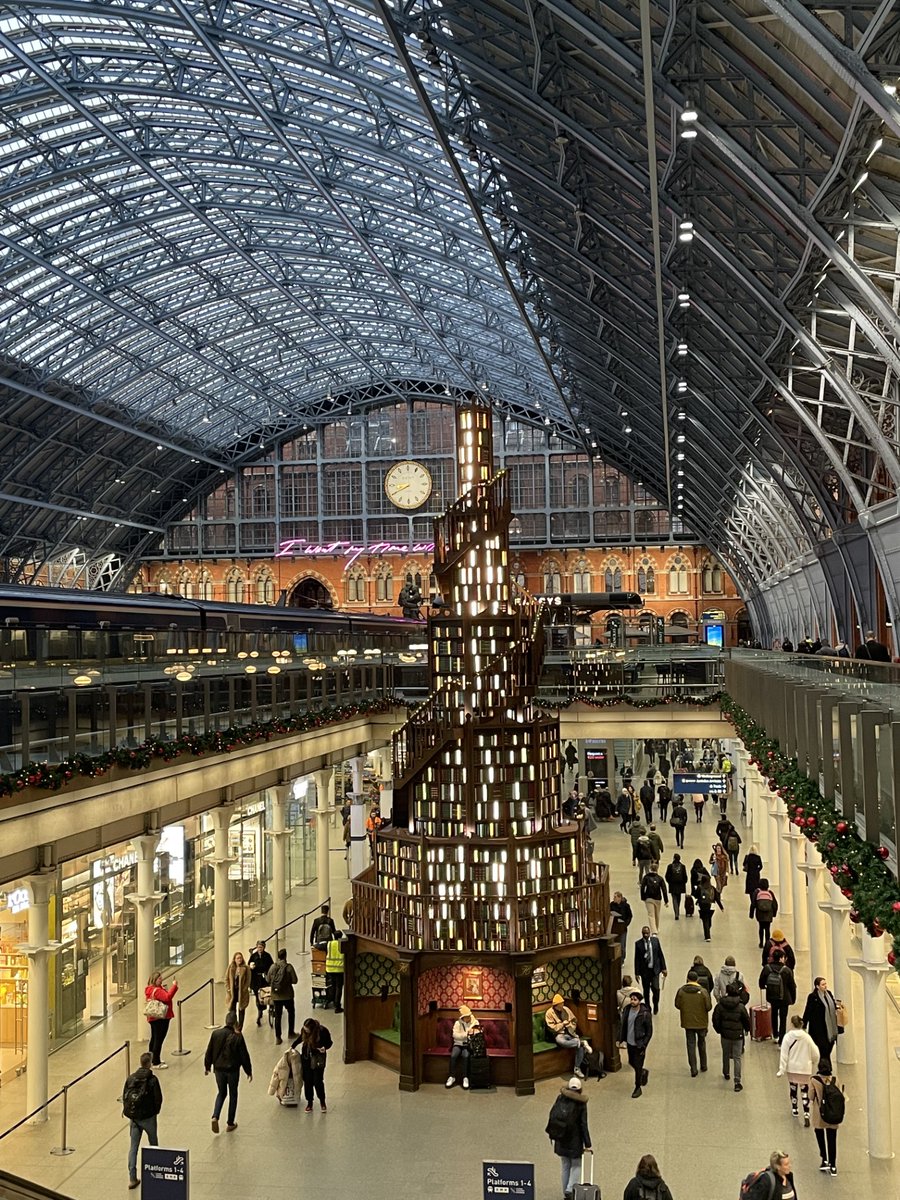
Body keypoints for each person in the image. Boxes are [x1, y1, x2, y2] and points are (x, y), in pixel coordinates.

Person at [204, 1010, 252, 1133]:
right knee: (233, 1094)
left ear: (226, 1021)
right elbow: (244, 1056)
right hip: (232, 1070)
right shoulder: (238, 1037)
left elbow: (209, 1051)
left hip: (219, 1069)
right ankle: (230, 1123)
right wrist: (248, 1071)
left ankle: (215, 1116)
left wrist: (207, 1066)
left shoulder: (216, 1034)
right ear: (235, 1023)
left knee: (221, 1093)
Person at [545, 1075, 592, 1199]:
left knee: (565, 1165)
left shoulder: (560, 1098)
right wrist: (587, 1143)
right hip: (574, 1141)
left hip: (560, 1138)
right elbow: (583, 1124)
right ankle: (570, 1189)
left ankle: (565, 1192)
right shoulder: (581, 1104)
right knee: (576, 1165)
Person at [123, 1052, 163, 1189]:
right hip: (148, 1117)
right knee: (153, 1144)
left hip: (134, 1118)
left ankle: (132, 1178)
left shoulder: (131, 1078)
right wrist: (154, 1112)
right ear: (150, 1063)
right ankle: (155, 1172)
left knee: (133, 1147)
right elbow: (158, 1098)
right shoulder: (152, 1080)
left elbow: (124, 1097)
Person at [777, 1014, 819, 1125]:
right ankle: (806, 1112)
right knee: (804, 1090)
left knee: (793, 1089)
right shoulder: (807, 1037)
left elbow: (784, 1054)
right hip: (805, 1068)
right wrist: (813, 1061)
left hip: (792, 1068)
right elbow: (815, 1053)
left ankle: (795, 1109)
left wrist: (782, 1068)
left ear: (791, 1024)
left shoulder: (788, 1037)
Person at [712, 981, 750, 1091]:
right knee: (737, 1057)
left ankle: (726, 1072)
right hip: (738, 1035)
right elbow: (746, 1020)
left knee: (725, 1053)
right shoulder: (741, 1006)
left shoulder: (720, 1005)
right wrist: (746, 1030)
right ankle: (737, 1081)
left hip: (725, 1034)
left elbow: (716, 1019)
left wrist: (719, 1030)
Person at [674, 970, 712, 1076]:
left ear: (687, 979)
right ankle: (703, 1065)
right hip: (701, 1022)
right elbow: (708, 1007)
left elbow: (677, 1005)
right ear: (697, 980)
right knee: (702, 1043)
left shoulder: (681, 991)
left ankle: (693, 1069)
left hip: (688, 1022)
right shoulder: (703, 992)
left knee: (691, 1044)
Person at [545, 994, 592, 1079]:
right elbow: (551, 1028)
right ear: (555, 1005)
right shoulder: (549, 1013)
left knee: (579, 1047)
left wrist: (570, 1026)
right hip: (559, 1034)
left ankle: (577, 1068)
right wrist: (562, 1024)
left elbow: (574, 1020)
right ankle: (581, 1042)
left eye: (562, 1003)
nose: (562, 1005)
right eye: (560, 1004)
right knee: (561, 1041)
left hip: (570, 1033)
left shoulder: (566, 1009)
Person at [291, 1017, 333, 1111]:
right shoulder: (304, 1032)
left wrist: (324, 1048)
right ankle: (310, 1102)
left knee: (318, 1081)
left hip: (318, 1059)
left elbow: (329, 1043)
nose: (305, 1031)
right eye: (304, 1029)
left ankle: (322, 1101)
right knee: (308, 1081)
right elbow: (299, 1039)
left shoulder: (322, 1031)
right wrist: (292, 1048)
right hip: (306, 1058)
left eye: (307, 1030)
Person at [618, 990, 653, 1098]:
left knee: (637, 1065)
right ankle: (642, 1071)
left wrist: (644, 1044)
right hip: (630, 1042)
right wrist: (619, 1039)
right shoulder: (627, 1010)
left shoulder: (644, 1013)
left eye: (635, 999)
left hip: (639, 1044)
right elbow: (623, 1025)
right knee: (631, 1062)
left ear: (639, 1001)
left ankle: (638, 1087)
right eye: (631, 999)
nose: (632, 1001)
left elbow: (649, 1031)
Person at [801, 977, 840, 1072]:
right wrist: (804, 1023)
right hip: (819, 1029)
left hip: (830, 1028)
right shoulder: (813, 997)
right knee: (823, 1049)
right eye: (823, 984)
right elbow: (808, 1011)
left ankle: (825, 1067)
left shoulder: (829, 994)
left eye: (825, 984)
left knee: (829, 1048)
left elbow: (833, 1007)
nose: (825, 986)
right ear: (817, 986)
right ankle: (826, 1069)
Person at [810, 1063, 842, 1175]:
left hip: (820, 1114)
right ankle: (833, 1166)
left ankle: (824, 1159)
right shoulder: (835, 1079)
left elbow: (810, 1096)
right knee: (832, 1139)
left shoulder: (814, 1080)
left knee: (820, 1134)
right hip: (833, 1113)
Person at [760, 949, 796, 1044]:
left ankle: (775, 1034)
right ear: (781, 958)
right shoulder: (787, 970)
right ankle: (781, 1039)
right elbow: (792, 986)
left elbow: (761, 982)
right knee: (783, 1018)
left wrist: (765, 986)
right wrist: (793, 998)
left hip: (772, 996)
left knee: (774, 1014)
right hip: (784, 998)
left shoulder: (767, 968)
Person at [144, 971, 178, 1069]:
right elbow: (167, 998)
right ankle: (156, 1062)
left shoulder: (150, 989)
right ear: (155, 980)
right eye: (159, 978)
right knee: (159, 1039)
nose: (161, 980)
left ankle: (152, 1058)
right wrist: (174, 986)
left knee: (154, 1038)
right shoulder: (157, 990)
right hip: (160, 1018)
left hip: (153, 1017)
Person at [267, 947, 298, 1045]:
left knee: (278, 1016)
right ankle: (291, 1032)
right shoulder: (289, 967)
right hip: (288, 995)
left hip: (276, 996)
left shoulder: (273, 967)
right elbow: (295, 980)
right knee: (291, 1012)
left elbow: (268, 980)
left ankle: (278, 1037)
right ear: (285, 956)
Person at [445, 1003, 481, 1089]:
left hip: (468, 1045)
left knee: (465, 1056)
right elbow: (455, 1035)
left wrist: (463, 1035)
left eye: (469, 1016)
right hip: (458, 1044)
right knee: (453, 1056)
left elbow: (476, 1034)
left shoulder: (475, 1022)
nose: (468, 1018)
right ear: (462, 1017)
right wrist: (466, 1034)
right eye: (466, 1016)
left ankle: (465, 1077)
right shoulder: (457, 1023)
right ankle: (452, 1077)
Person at [634, 926, 667, 1014]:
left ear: (649, 933)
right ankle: (648, 1007)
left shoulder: (655, 941)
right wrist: (637, 973)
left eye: (647, 933)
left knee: (656, 989)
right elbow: (636, 959)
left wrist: (664, 968)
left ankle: (656, 1004)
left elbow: (660, 954)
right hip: (645, 972)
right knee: (646, 990)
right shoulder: (638, 944)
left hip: (655, 970)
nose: (645, 935)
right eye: (644, 933)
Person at [248, 940, 273, 1026]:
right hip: (255, 979)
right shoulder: (254, 956)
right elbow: (249, 965)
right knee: (257, 996)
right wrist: (251, 967)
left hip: (264, 979)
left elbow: (271, 967)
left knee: (266, 994)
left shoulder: (267, 956)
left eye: (261, 947)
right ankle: (259, 1012)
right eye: (258, 947)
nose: (260, 949)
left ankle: (269, 1008)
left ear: (264, 947)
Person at [224, 951, 251, 1031]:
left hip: (241, 992)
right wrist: (228, 988)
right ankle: (235, 1026)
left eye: (240, 958)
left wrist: (244, 988)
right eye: (237, 958)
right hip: (232, 992)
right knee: (232, 1010)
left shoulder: (246, 968)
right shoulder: (230, 967)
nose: (239, 959)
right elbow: (226, 979)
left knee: (241, 1010)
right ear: (234, 959)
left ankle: (240, 1028)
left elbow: (248, 980)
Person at [639, 864, 668, 932]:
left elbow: (642, 887)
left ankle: (654, 930)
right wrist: (666, 901)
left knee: (651, 915)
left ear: (650, 869)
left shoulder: (646, 877)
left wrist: (643, 897)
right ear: (657, 869)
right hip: (658, 899)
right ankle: (656, 928)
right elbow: (664, 890)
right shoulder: (660, 878)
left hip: (648, 898)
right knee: (657, 914)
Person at [753, 878, 778, 948]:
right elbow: (775, 904)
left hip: (760, 914)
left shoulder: (757, 892)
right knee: (767, 929)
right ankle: (767, 943)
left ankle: (761, 943)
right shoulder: (770, 893)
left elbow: (753, 903)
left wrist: (751, 913)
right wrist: (774, 913)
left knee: (761, 928)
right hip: (768, 914)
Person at [324, 931, 345, 1012]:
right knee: (339, 987)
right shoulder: (342, 944)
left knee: (332, 986)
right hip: (339, 969)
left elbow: (318, 946)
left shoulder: (329, 944)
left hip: (329, 969)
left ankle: (332, 1000)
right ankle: (337, 1006)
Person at [664, 853, 688, 919]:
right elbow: (685, 877)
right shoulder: (683, 866)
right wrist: (684, 883)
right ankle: (678, 910)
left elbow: (667, 876)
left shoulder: (670, 866)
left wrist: (669, 882)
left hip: (672, 885)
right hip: (680, 885)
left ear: (674, 858)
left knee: (674, 898)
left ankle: (676, 913)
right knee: (679, 898)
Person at [743, 846, 763, 915]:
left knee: (751, 890)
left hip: (749, 875)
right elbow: (761, 866)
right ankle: (756, 902)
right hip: (756, 875)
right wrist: (757, 870)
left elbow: (744, 864)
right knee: (756, 888)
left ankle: (752, 902)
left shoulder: (747, 857)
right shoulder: (758, 857)